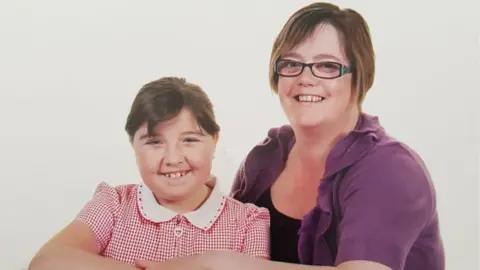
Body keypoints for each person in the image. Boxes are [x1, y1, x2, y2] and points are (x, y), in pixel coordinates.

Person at [139, 2, 445, 270]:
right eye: (291, 64)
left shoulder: (391, 170)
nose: (305, 78)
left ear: (360, 76)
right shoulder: (266, 157)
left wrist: (224, 263)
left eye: (327, 66)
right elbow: (223, 235)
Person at [28, 77, 270, 270]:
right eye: (155, 142)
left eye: (189, 140)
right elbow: (47, 262)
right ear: (133, 145)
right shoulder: (114, 203)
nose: (173, 158)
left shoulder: (248, 222)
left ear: (214, 141)